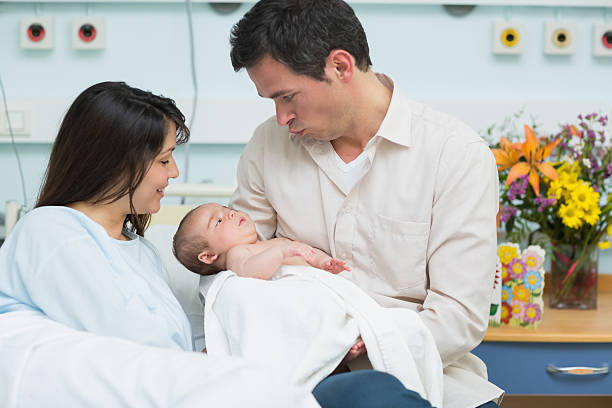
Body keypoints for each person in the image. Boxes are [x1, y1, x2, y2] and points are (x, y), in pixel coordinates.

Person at [0, 81, 430, 408]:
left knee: (370, 389)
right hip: (169, 392)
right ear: (116, 164)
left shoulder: (140, 250)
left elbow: (168, 345)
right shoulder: (52, 232)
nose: (173, 175)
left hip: (192, 384)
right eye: (164, 160)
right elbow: (127, 349)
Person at [228, 1, 504, 407]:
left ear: (340, 66)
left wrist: (363, 348)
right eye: (271, 100)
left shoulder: (454, 155)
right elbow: (234, 261)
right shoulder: (268, 145)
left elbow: (458, 317)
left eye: (287, 96)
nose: (282, 117)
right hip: (294, 371)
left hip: (426, 377)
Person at [172, 203, 350, 279]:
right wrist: (281, 253)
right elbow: (251, 271)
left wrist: (324, 262)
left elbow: (307, 252)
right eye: (218, 221)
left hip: (318, 286)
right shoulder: (238, 254)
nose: (231, 213)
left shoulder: (273, 242)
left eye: (226, 209)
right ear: (208, 256)